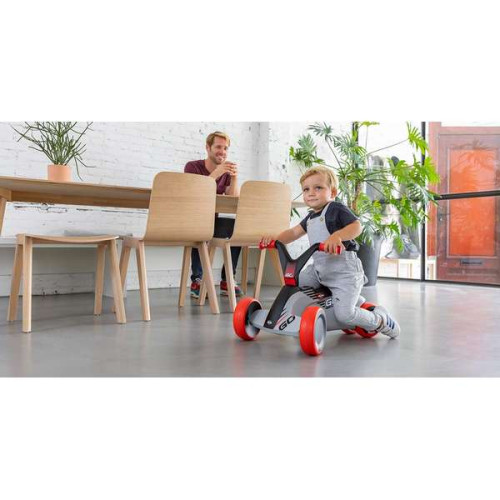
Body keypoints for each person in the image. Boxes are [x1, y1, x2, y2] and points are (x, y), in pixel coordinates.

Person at [261, 165, 400, 338]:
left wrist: (338, 236)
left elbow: (357, 226)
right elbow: (293, 233)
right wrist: (275, 241)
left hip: (344, 273)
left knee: (345, 315)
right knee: (295, 281)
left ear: (332, 192)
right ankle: (323, 309)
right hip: (320, 271)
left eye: (318, 188)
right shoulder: (310, 218)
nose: (311, 193)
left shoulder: (336, 209)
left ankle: (380, 320)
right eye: (306, 189)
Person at [184, 131, 243, 299]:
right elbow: (197, 191)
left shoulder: (225, 173)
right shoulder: (192, 167)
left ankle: (227, 279)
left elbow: (233, 200)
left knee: (237, 228)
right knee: (201, 226)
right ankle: (198, 280)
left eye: (225, 148)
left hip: (213, 220)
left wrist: (234, 178)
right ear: (208, 148)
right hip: (193, 220)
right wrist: (217, 172)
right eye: (218, 147)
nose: (222, 152)